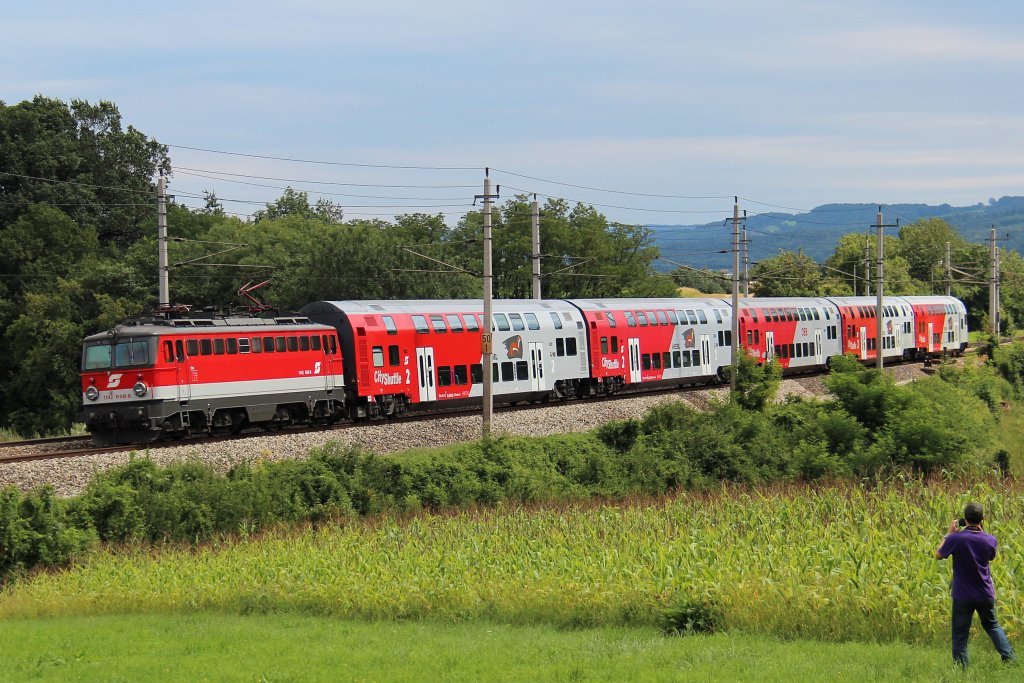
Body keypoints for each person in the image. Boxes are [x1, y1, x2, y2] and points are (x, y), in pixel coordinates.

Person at [935, 502, 1016, 667]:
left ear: (964, 519)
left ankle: (961, 668)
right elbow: (991, 557)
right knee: (992, 625)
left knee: (960, 633)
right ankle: (1009, 658)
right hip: (985, 593)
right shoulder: (990, 539)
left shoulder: (955, 539)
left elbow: (938, 555)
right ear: (982, 519)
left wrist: (948, 534)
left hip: (962, 594)